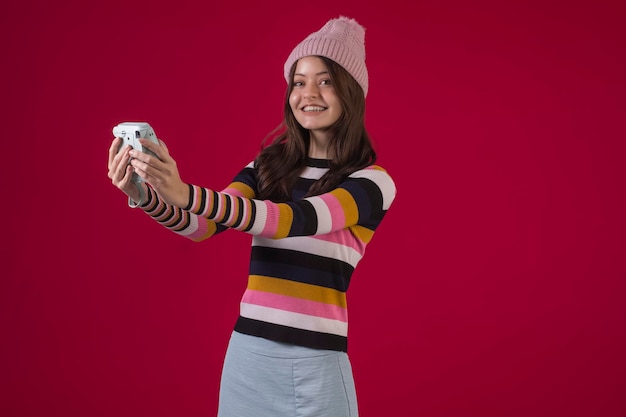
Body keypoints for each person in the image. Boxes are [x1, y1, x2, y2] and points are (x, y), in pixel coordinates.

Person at [107, 16, 396, 417]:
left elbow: (291, 219)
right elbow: (204, 225)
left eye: (325, 80)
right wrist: (145, 195)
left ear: (352, 91)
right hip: (248, 358)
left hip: (317, 366)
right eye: (299, 81)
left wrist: (185, 192)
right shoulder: (267, 165)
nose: (308, 93)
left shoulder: (371, 183)